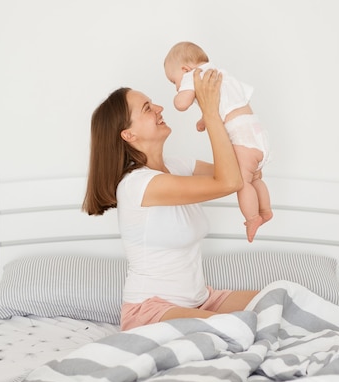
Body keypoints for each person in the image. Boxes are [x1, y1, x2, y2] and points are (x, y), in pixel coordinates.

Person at [83, 68, 258, 331]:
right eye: (147, 108)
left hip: (201, 302)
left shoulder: (178, 166)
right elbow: (229, 182)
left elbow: (243, 171)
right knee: (237, 329)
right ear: (128, 134)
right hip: (150, 311)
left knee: (281, 299)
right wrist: (209, 114)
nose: (159, 108)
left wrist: (227, 111)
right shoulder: (137, 186)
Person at [164, 41, 273, 242]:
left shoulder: (193, 76)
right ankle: (266, 210)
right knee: (256, 178)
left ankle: (253, 217)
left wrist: (178, 96)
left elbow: (181, 103)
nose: (177, 85)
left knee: (242, 183)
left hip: (242, 138)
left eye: (173, 81)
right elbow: (227, 104)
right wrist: (204, 119)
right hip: (257, 133)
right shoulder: (219, 73)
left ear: (185, 69)